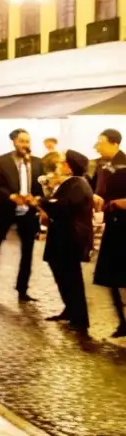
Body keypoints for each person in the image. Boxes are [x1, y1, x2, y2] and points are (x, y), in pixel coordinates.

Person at [0, 129, 43, 301]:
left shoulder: (38, 162)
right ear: (14, 142)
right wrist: (11, 196)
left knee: (28, 252)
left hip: (29, 213)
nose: (25, 145)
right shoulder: (2, 161)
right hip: (6, 211)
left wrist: (37, 199)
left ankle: (22, 289)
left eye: (28, 141)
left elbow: (41, 187)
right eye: (22, 141)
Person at [39, 150, 93, 331]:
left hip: (70, 239)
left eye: (62, 162)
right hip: (63, 237)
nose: (58, 165)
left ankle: (79, 317)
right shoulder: (70, 183)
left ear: (70, 167)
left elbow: (62, 207)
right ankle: (70, 309)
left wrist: (41, 201)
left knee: (71, 278)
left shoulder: (77, 183)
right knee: (63, 276)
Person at [93, 129, 126, 337]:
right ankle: (123, 322)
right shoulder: (102, 167)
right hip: (113, 226)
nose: (97, 146)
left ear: (114, 143)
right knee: (111, 278)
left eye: (101, 142)